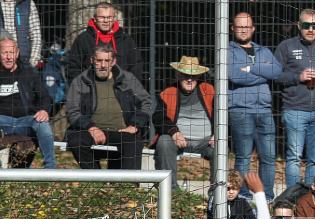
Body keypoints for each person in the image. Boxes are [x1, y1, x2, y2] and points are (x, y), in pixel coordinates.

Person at [275, 8, 315, 189]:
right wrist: (297, 77)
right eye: (306, 25)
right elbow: (275, 75)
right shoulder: (286, 46)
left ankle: (310, 199)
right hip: (294, 109)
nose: (310, 29)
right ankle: (293, 198)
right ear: (298, 25)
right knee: (294, 157)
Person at [65, 44, 151, 171]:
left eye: (107, 61)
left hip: (122, 132)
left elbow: (146, 103)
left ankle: (128, 186)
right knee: (76, 140)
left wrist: (135, 125)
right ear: (92, 61)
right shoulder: (80, 81)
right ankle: (96, 180)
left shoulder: (127, 79)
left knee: (133, 142)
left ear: (113, 62)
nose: (103, 65)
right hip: (90, 131)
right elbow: (72, 111)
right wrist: (91, 127)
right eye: (99, 61)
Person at [228, 12, 282, 201]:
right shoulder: (227, 50)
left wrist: (250, 68)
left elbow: (276, 71)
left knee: (268, 157)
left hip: (265, 111)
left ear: (253, 29)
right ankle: (242, 196)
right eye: (239, 26)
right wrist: (262, 71)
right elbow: (235, 76)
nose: (243, 30)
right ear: (233, 28)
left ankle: (266, 196)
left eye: (246, 26)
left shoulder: (264, 50)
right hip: (240, 110)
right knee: (243, 157)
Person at [151, 56, 215, 193]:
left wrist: (217, 134)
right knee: (164, 141)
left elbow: (221, 114)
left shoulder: (209, 90)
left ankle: (217, 192)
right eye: (186, 75)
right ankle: (170, 190)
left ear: (198, 76)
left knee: (221, 147)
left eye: (193, 76)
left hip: (206, 141)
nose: (190, 79)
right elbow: (158, 117)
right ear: (178, 75)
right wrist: (174, 132)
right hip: (179, 139)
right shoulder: (168, 92)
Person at [0, 33, 55, 168]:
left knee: (42, 124)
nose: (8, 57)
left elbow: (45, 96)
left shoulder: (28, 72)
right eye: (4, 53)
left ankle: (51, 168)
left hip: (26, 120)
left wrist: (44, 110)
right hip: (2, 121)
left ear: (17, 53)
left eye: (11, 52)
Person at [66, 3, 143, 84]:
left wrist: (129, 87)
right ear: (95, 19)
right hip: (91, 90)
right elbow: (73, 67)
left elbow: (136, 66)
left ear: (114, 19)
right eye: (102, 17)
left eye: (109, 17)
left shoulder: (126, 40)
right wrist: (84, 88)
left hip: (121, 89)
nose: (106, 21)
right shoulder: (83, 39)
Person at [0, 1, 41, 67]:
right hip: (2, 62)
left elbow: (36, 35)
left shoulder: (27, 3)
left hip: (24, 60)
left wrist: (32, 62)